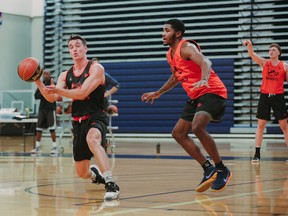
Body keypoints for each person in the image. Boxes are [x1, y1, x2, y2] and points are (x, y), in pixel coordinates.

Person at [141, 19, 232, 192]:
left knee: (197, 127)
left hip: (212, 91)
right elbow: (176, 76)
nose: (163, 34)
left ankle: (221, 168)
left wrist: (204, 78)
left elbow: (206, 62)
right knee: (178, 133)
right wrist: (159, 92)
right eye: (162, 30)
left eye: (166, 30)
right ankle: (208, 168)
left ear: (178, 33)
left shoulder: (186, 47)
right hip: (196, 95)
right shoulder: (170, 54)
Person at [34, 34, 120, 200]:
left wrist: (58, 91)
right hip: (77, 121)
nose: (74, 49)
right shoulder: (65, 75)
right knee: (82, 173)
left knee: (93, 140)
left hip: (96, 116)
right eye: (71, 47)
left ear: (85, 48)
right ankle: (96, 176)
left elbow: (82, 93)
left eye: (78, 45)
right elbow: (52, 98)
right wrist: (38, 82)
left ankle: (111, 184)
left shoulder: (96, 69)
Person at [243, 40, 288, 163]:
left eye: (273, 49)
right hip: (264, 96)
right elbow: (252, 55)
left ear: (279, 52)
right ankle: (257, 154)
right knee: (261, 125)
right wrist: (250, 45)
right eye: (269, 50)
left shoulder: (284, 66)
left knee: (284, 126)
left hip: (278, 97)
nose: (271, 51)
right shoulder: (264, 63)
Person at [31, 70, 60, 155]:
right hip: (42, 109)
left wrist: (44, 94)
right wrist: (45, 94)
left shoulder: (53, 83)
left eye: (46, 74)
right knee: (39, 128)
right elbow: (36, 96)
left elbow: (55, 94)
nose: (44, 75)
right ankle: (37, 147)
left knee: (52, 129)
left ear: (50, 75)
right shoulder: (41, 84)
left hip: (51, 109)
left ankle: (54, 147)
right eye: (43, 74)